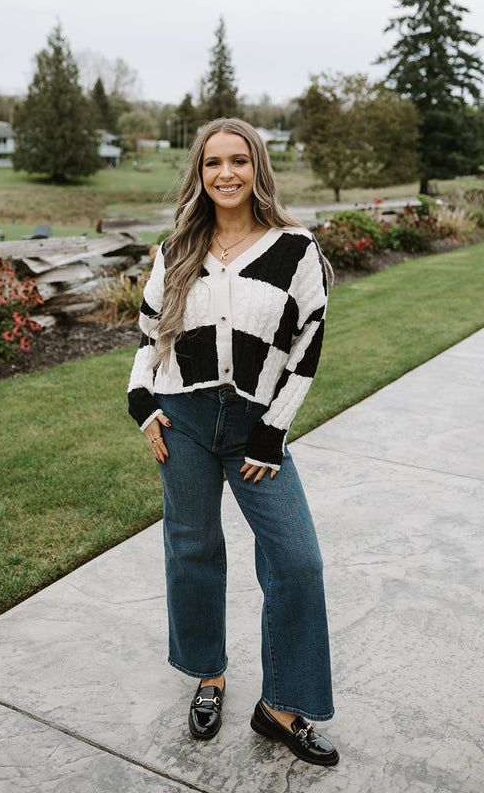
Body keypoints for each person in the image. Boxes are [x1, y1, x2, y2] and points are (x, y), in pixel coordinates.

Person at [127, 118, 338, 767]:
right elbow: (146, 336)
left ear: (257, 170)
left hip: (253, 427)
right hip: (182, 420)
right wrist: (141, 403)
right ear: (199, 172)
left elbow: (305, 352)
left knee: (296, 562)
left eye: (238, 161)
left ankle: (281, 707)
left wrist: (271, 433)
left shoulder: (294, 249)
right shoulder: (174, 250)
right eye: (213, 162)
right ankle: (207, 674)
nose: (225, 173)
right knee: (191, 550)